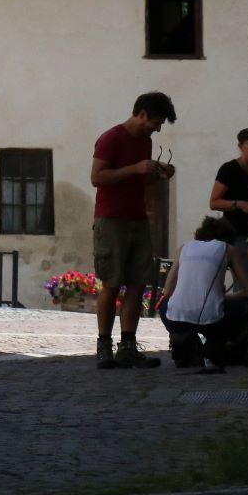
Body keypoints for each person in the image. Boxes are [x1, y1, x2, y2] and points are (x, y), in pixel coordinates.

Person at [91, 91, 177, 369]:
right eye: (156, 122)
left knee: (138, 282)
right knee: (112, 282)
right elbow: (97, 177)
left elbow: (139, 180)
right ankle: (104, 345)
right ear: (141, 114)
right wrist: (136, 168)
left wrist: (157, 174)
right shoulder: (111, 138)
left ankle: (127, 345)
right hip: (111, 219)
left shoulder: (145, 141)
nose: (158, 128)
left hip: (137, 218)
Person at [159, 216, 248, 373]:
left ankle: (183, 336)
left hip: (175, 318)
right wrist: (225, 297)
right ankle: (219, 344)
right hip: (212, 320)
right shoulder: (228, 249)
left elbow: (167, 291)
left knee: (165, 304)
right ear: (227, 238)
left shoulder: (183, 248)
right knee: (246, 306)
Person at [209, 128, 248, 244]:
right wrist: (240, 204)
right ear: (240, 146)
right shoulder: (229, 169)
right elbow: (213, 203)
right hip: (235, 234)